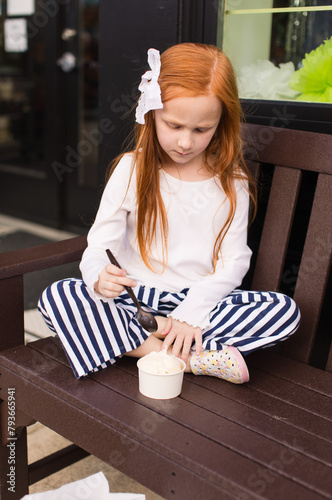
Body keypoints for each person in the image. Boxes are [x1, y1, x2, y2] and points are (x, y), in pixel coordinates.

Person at [38, 43, 300, 382]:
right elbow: (99, 247)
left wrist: (191, 313)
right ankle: (184, 358)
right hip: (136, 299)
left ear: (221, 123)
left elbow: (234, 261)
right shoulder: (131, 170)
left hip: (200, 303)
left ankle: (137, 342)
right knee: (59, 296)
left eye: (200, 130)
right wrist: (99, 275)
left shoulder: (231, 182)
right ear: (151, 114)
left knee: (284, 311)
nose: (185, 143)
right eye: (174, 126)